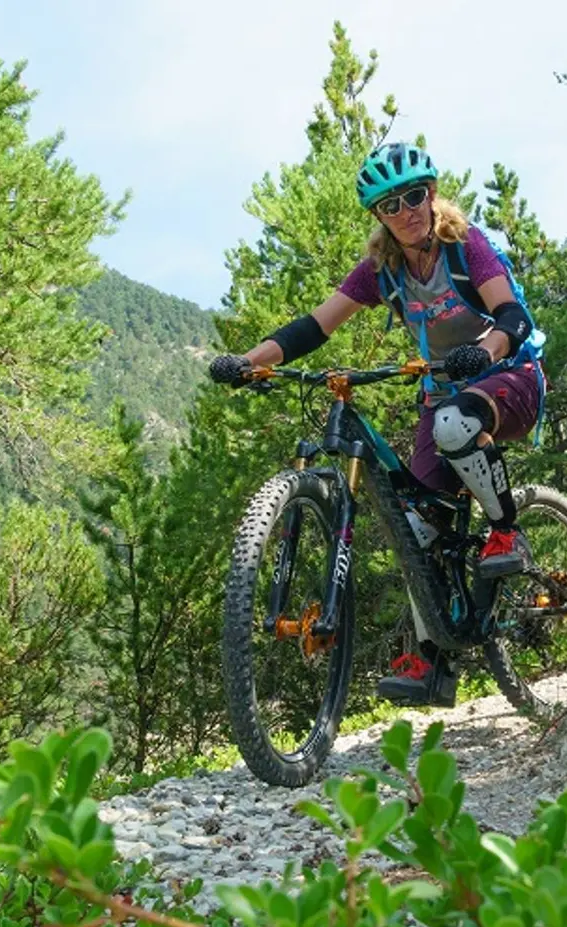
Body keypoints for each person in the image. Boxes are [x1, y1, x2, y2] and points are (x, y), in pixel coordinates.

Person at [210, 142, 545, 708]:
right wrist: (249, 361)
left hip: (509, 377)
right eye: (391, 205)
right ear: (379, 216)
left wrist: (485, 352)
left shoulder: (465, 246)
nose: (406, 211)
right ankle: (432, 656)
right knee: (418, 528)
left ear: (431, 194)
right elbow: (314, 327)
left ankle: (506, 529)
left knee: (454, 424)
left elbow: (512, 315)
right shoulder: (381, 271)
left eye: (413, 196)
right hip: (442, 394)